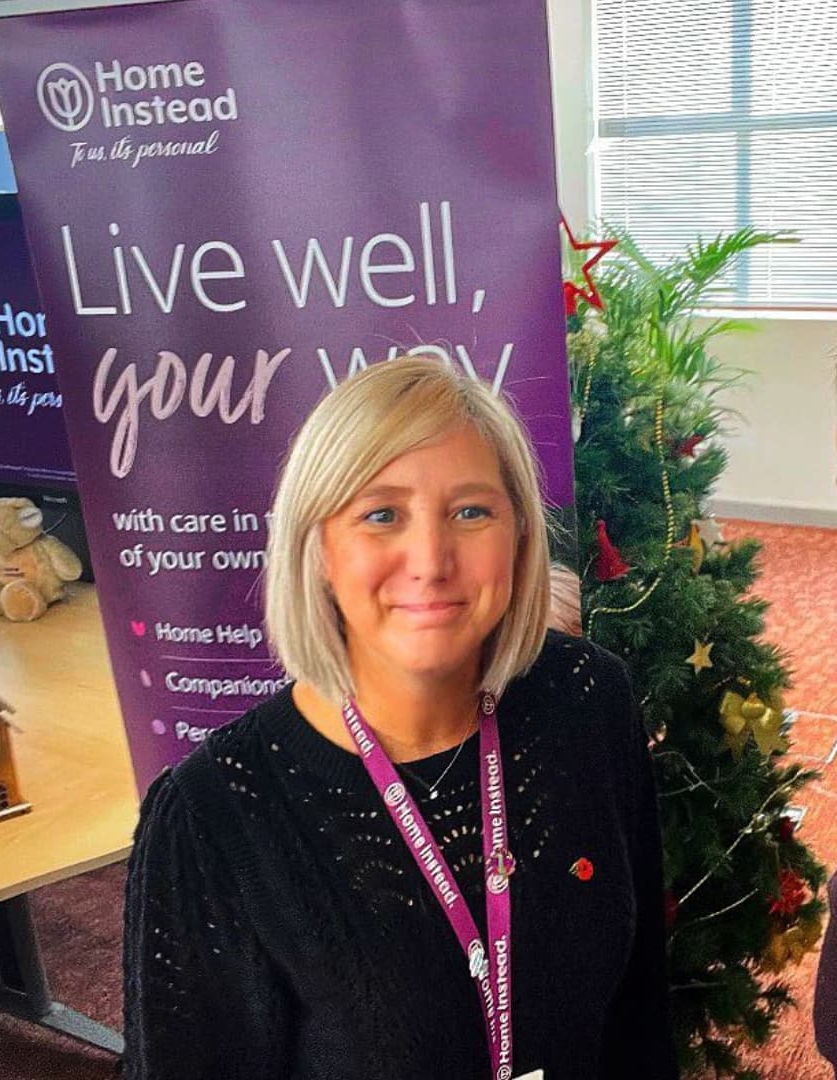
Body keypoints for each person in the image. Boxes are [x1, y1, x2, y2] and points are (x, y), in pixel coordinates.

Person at [121, 357, 678, 1079]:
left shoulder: (588, 701)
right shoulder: (215, 816)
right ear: (319, 549)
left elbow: (638, 1017)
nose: (431, 560)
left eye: (471, 511)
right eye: (381, 515)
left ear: (518, 535)